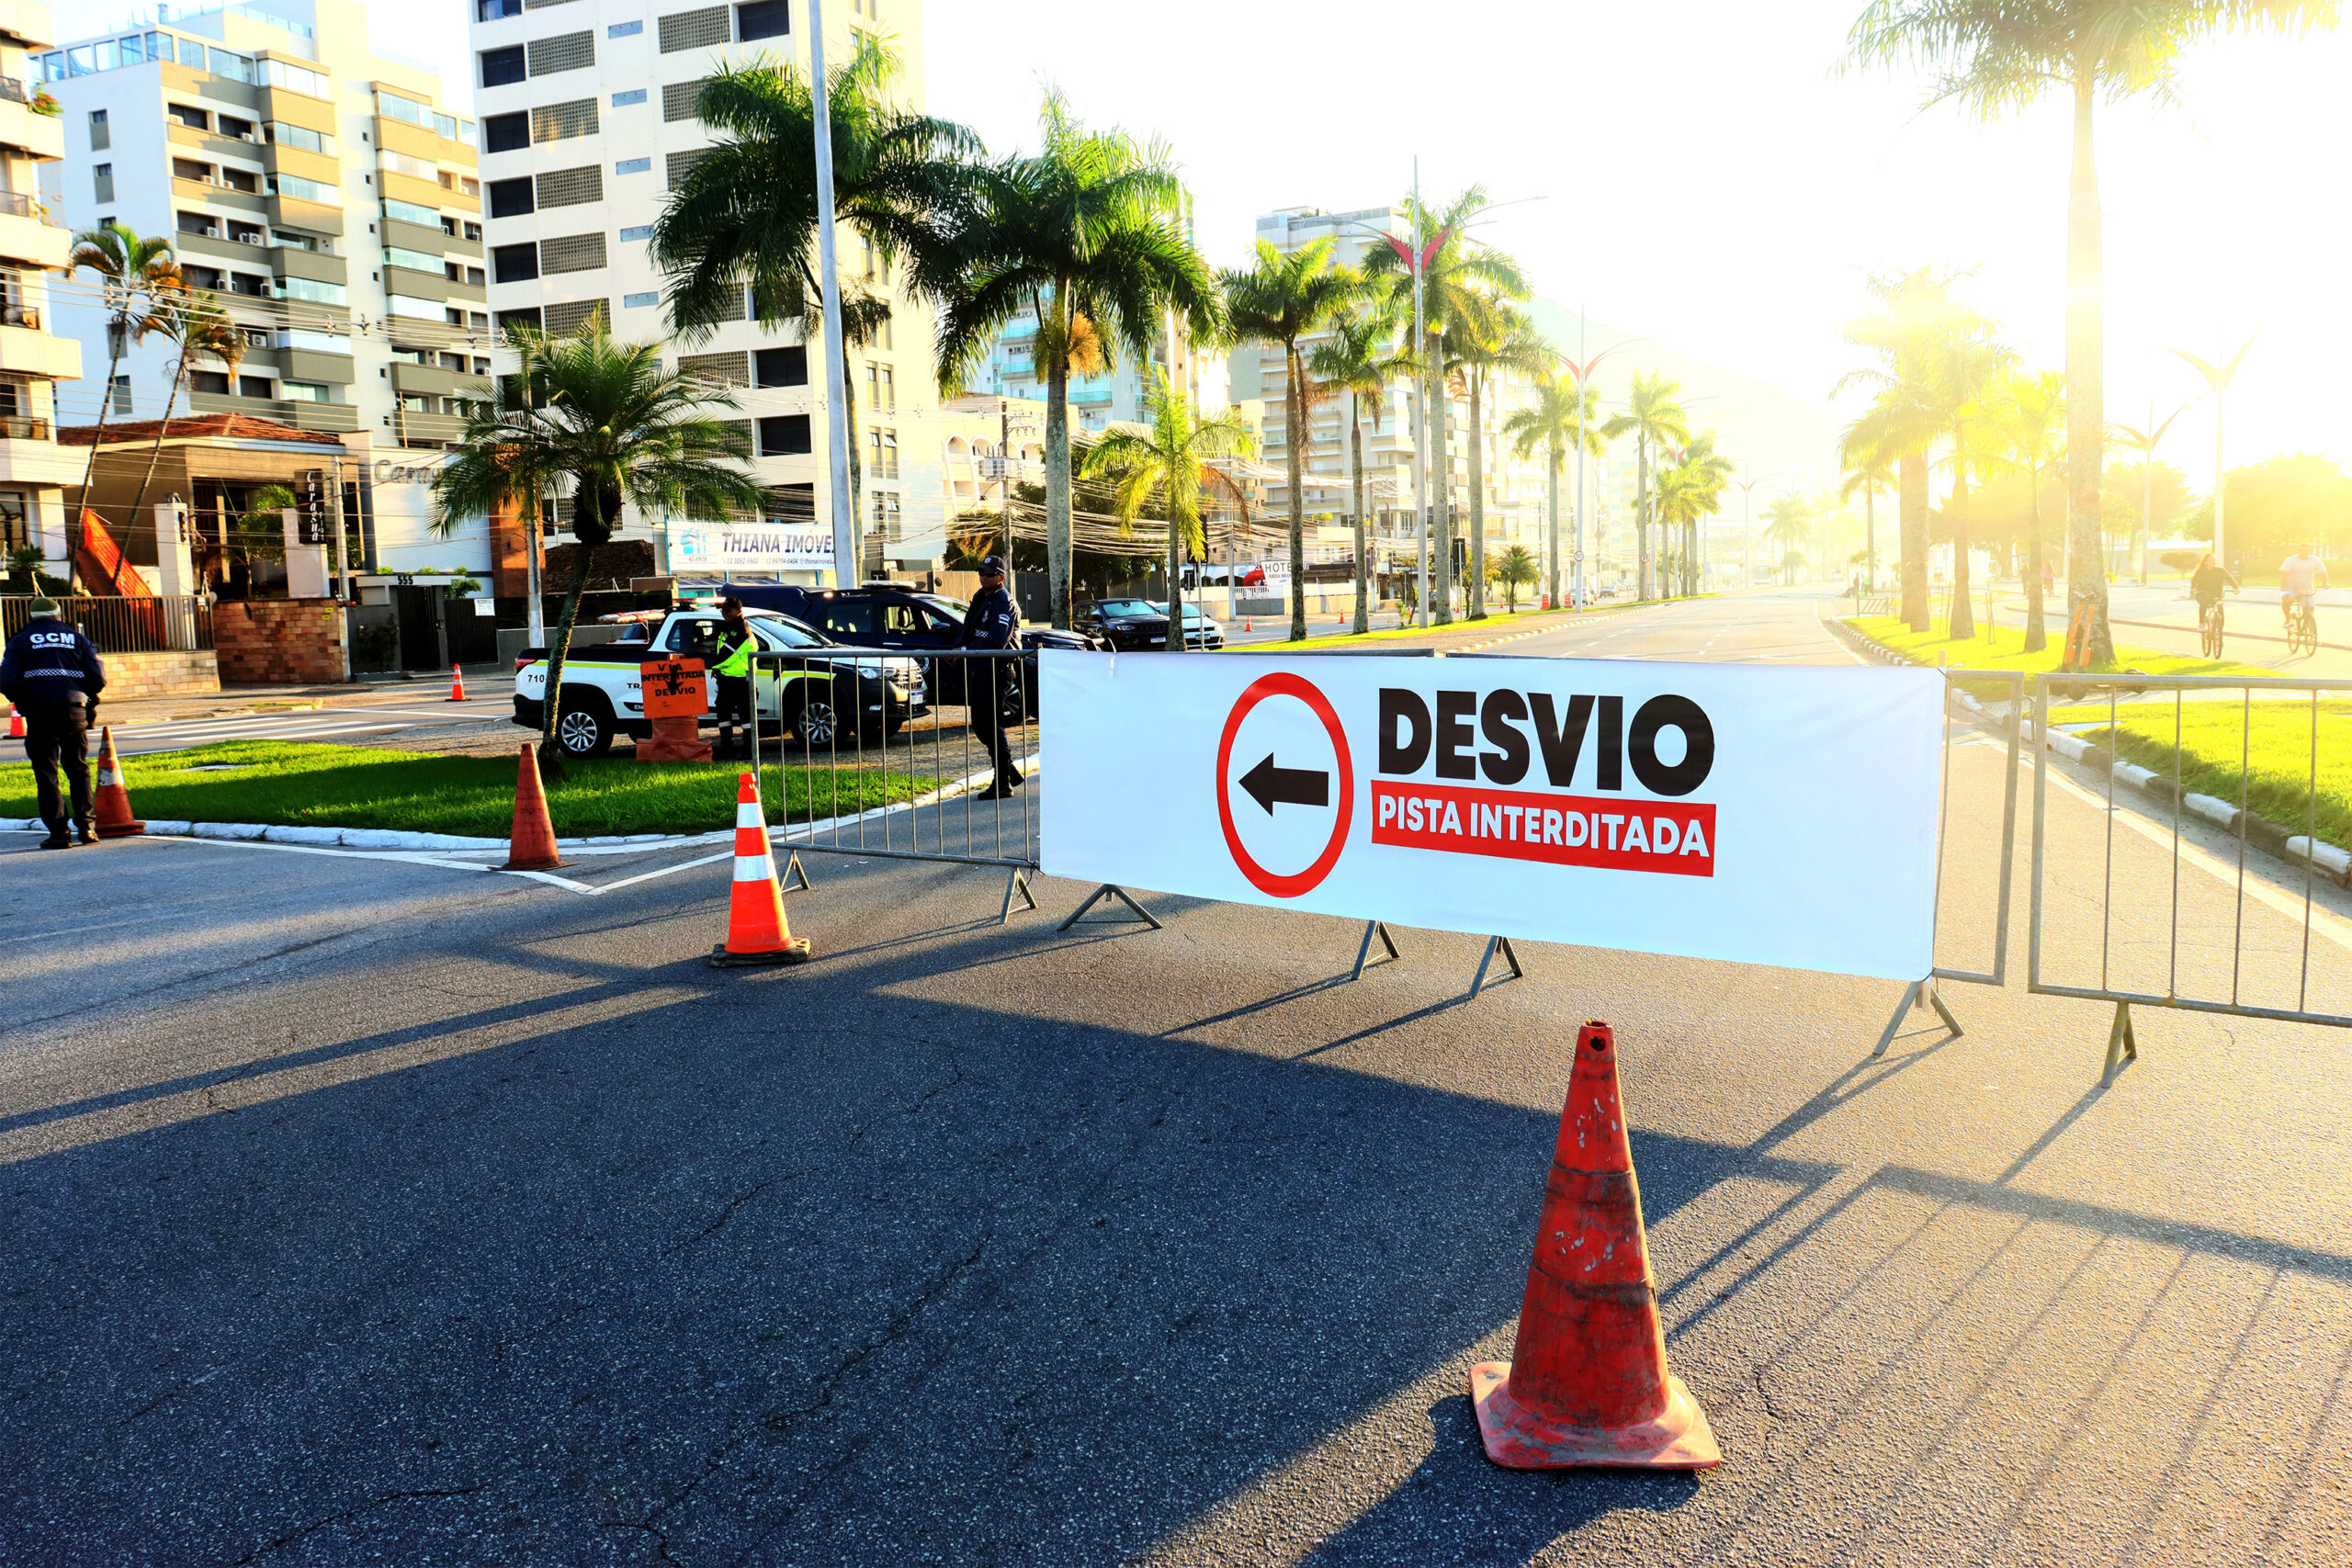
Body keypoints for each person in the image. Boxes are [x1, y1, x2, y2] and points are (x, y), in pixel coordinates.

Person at [0, 596, 107, 849]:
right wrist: (85, 694)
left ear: (32, 616)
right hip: (73, 710)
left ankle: (59, 833)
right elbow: (97, 676)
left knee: (47, 773)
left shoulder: (21, 641)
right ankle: (87, 828)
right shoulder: (75, 638)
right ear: (58, 614)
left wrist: (22, 698)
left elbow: (6, 680)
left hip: (39, 712)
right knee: (78, 769)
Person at [958, 555, 1023, 798]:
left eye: (988, 573)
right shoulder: (979, 597)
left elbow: (996, 640)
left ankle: (1003, 783)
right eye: (981, 572)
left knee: (992, 726)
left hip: (998, 669)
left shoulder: (1005, 602)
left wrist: (967, 649)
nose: (982, 576)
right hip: (979, 669)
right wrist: (958, 646)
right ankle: (1009, 771)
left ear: (1000, 578)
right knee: (980, 725)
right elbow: (967, 628)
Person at [710, 596, 756, 759]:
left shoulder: (741, 630)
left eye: (728, 611)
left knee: (746, 718)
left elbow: (727, 656)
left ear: (738, 611)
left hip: (740, 681)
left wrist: (711, 664)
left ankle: (749, 751)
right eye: (723, 611)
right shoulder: (731, 627)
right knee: (723, 715)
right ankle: (727, 749)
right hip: (728, 680)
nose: (724, 614)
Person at [2278, 542, 2329, 630]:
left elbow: (2322, 572)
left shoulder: (2315, 560)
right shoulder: (2290, 560)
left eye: (2306, 550)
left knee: (2310, 611)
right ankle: (2287, 619)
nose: (2304, 552)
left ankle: (2310, 635)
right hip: (2292, 588)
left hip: (2307, 589)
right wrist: (2283, 584)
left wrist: (2326, 582)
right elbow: (2284, 573)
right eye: (2302, 550)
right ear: (2298, 551)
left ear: (2310, 551)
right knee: (2286, 599)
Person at [2190, 552, 2237, 616]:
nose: (2213, 562)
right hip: (2203, 594)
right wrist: (2194, 588)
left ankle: (2220, 623)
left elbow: (2230, 579)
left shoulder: (2220, 571)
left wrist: (2236, 587)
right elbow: (2194, 580)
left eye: (2214, 560)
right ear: (2205, 562)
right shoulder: (2201, 571)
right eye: (2211, 560)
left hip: (2217, 594)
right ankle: (2202, 623)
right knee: (2203, 602)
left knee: (2220, 606)